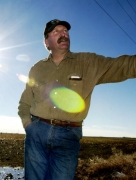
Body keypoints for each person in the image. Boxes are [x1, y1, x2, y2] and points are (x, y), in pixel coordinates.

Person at [18, 19, 136, 180]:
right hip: (37, 133)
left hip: (68, 136)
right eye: (56, 31)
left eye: (65, 31)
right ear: (46, 42)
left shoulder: (88, 62)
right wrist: (28, 125)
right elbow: (25, 102)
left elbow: (124, 66)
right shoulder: (37, 68)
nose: (63, 34)